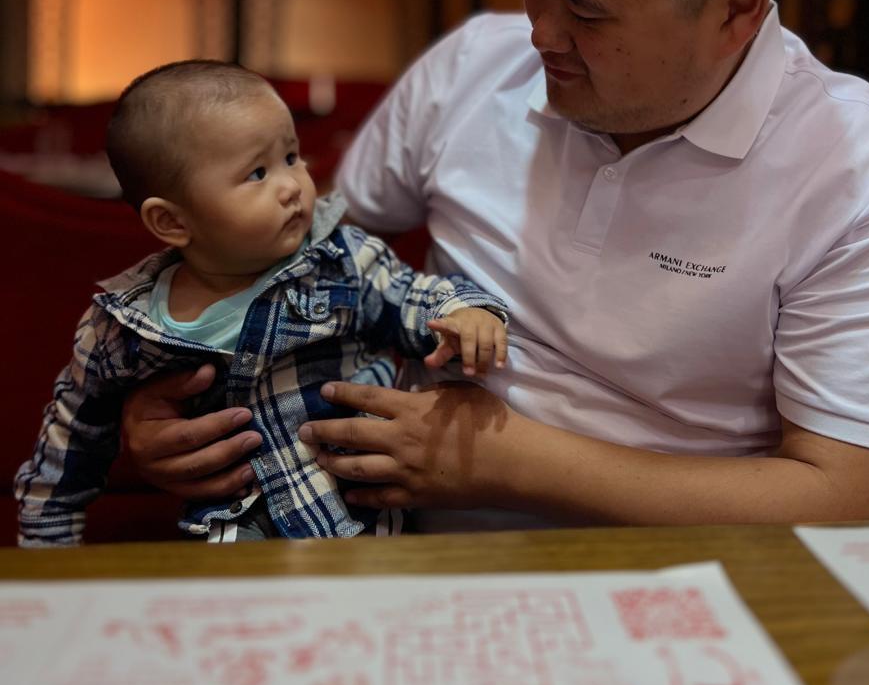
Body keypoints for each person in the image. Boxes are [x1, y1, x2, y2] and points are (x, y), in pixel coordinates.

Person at [119, 0, 869, 531]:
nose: (541, 33)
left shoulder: (867, 174)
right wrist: (172, 392)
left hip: (692, 575)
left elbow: (858, 500)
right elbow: (294, 245)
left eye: (585, 9)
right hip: (395, 540)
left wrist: (505, 460)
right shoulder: (473, 67)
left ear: (737, 7)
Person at [15, 61, 507, 546]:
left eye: (291, 157)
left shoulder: (340, 261)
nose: (292, 186)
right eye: (257, 173)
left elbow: (411, 294)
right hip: (234, 530)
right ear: (172, 222)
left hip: (361, 515)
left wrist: (462, 314)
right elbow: (70, 436)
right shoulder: (126, 326)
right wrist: (48, 536)